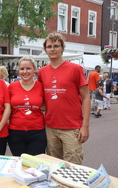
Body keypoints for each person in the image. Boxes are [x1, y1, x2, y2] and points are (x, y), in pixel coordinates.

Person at [38, 32, 90, 165]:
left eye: (56, 46)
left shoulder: (75, 69)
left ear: (62, 48)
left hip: (71, 127)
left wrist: (85, 126)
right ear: (45, 49)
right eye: (49, 46)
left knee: (73, 167)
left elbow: (86, 97)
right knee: (55, 166)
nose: (52, 49)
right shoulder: (42, 72)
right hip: (50, 126)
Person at [8, 57, 46, 156]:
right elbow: (6, 108)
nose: (25, 72)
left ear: (34, 69)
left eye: (28, 68)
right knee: (19, 164)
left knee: (34, 165)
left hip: (37, 132)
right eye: (22, 69)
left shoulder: (41, 86)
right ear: (18, 70)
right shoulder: (12, 87)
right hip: (15, 132)